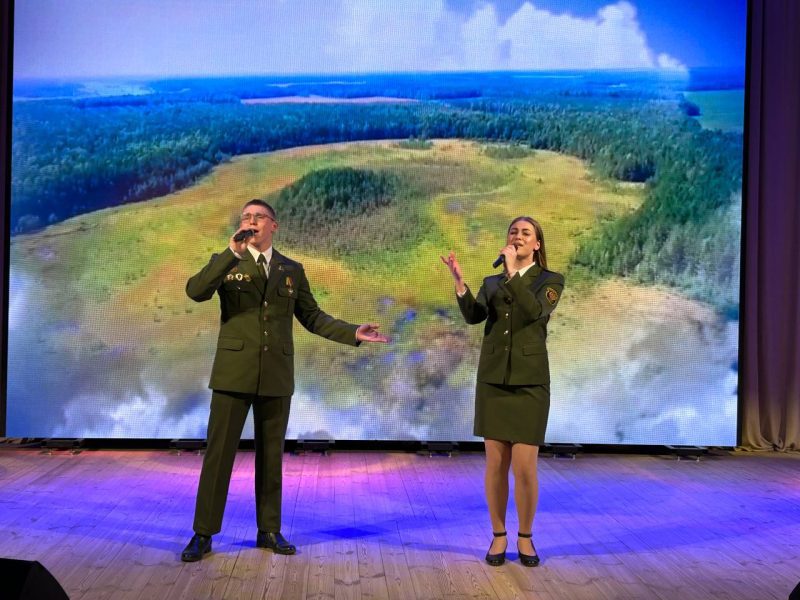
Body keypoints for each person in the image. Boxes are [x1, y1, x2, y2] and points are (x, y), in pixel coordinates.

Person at [181, 199, 389, 562]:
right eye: (246, 217)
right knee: (219, 455)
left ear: (273, 225)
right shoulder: (228, 262)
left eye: (258, 217)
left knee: (271, 455)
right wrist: (231, 252)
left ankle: (269, 530)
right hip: (232, 374)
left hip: (276, 374)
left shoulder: (291, 269)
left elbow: (312, 316)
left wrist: (353, 332)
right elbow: (196, 291)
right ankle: (203, 533)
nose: (251, 221)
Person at [441, 216, 564, 567]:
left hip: (530, 383)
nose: (518, 236)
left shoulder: (551, 281)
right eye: (513, 232)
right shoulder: (491, 282)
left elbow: (534, 312)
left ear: (537, 244)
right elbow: (474, 316)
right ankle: (498, 534)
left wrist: (512, 273)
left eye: (526, 233)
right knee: (496, 464)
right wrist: (461, 284)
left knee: (524, 467)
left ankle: (525, 536)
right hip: (493, 380)